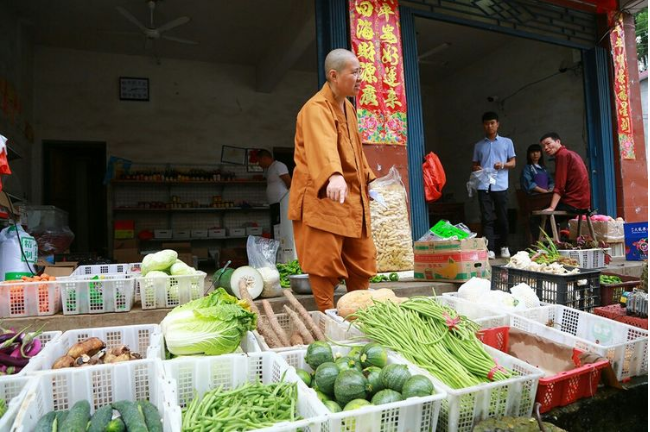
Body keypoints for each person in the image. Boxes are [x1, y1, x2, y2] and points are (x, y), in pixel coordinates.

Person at [288, 48, 377, 312]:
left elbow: (356, 149)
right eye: (355, 72)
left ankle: (360, 312)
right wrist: (334, 175)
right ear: (334, 75)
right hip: (324, 196)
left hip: (349, 196)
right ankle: (327, 314)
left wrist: (368, 178)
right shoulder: (315, 108)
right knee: (324, 262)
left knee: (362, 258)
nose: (360, 77)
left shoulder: (348, 108)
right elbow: (322, 145)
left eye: (361, 71)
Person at [472, 111, 516, 260]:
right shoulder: (479, 145)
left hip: (500, 184)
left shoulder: (507, 142)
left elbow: (513, 163)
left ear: (497, 124)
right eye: (486, 124)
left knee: (502, 216)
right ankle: (489, 249)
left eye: (492, 123)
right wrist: (477, 168)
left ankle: (504, 246)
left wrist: (503, 164)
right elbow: (475, 164)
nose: (489, 126)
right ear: (483, 126)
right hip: (484, 184)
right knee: (486, 217)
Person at [540, 132, 590, 212]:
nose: (545, 148)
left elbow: (560, 186)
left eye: (548, 143)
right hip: (584, 203)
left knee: (538, 216)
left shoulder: (562, 155)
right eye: (543, 146)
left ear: (558, 142)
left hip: (573, 202)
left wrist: (552, 208)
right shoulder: (571, 153)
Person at [257, 149, 291, 235]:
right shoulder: (269, 169)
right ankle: (276, 245)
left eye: (259, 161)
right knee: (275, 226)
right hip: (274, 204)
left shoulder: (278, 165)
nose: (259, 164)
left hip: (281, 203)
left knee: (279, 226)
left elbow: (289, 182)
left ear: (264, 158)